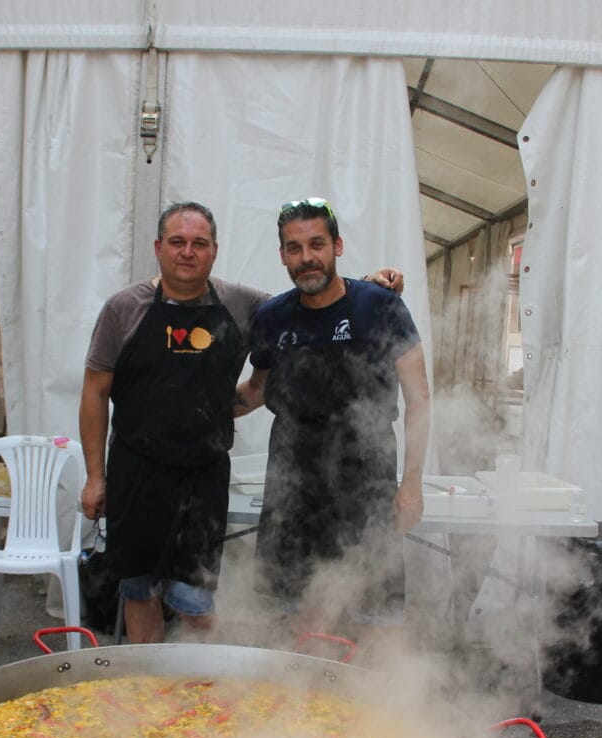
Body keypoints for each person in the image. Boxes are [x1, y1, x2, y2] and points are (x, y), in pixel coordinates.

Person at [79, 201, 403, 644]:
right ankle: (149, 693)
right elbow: (95, 392)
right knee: (139, 590)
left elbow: (312, 300)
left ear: (214, 251)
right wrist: (95, 477)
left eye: (199, 243)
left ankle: (203, 689)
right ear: (158, 248)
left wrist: (368, 288)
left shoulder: (244, 304)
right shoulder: (124, 309)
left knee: (195, 600)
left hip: (204, 474)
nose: (187, 252)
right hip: (136, 470)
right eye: (177, 242)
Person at [234, 197, 430, 632]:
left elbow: (419, 399)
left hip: (367, 485)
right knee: (295, 623)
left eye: (316, 244)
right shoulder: (272, 316)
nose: (307, 258)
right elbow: (257, 391)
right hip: (292, 489)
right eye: (295, 248)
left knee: (374, 621)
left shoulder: (380, 306)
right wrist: (197, 407)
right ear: (283, 255)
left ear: (337, 246)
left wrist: (412, 485)